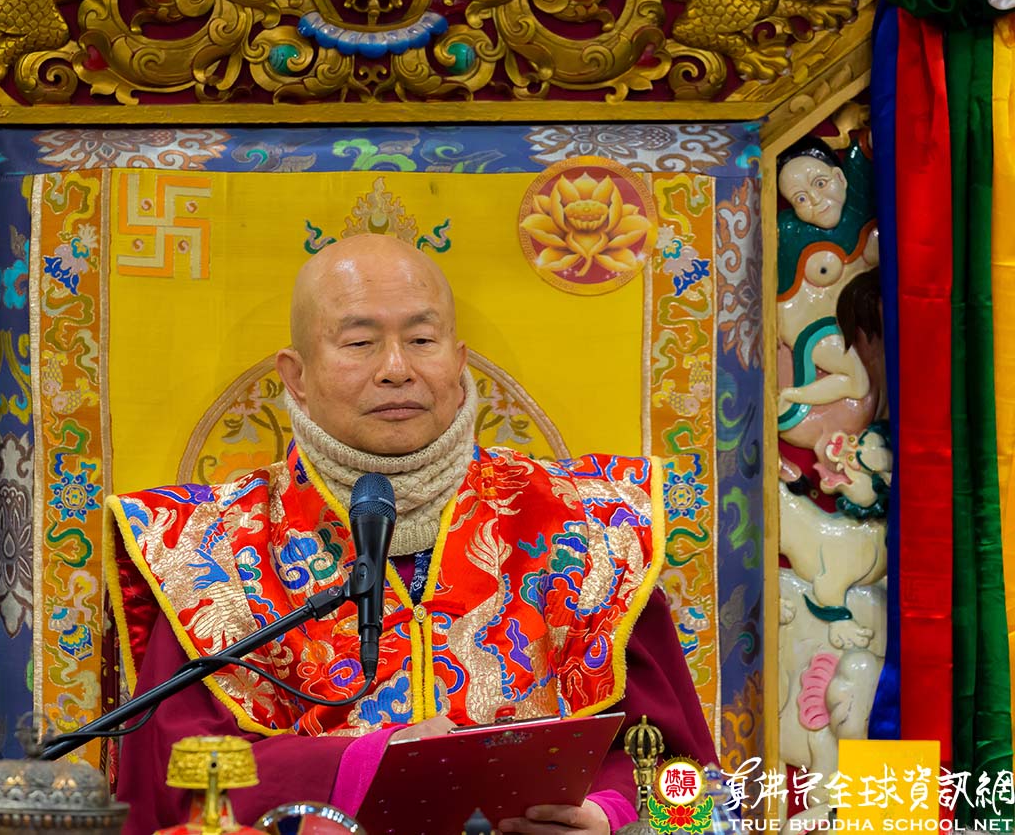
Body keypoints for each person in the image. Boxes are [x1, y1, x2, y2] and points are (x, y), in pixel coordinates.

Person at [107, 234, 717, 835]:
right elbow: (174, 781)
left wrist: (609, 815)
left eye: (422, 340)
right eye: (360, 342)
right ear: (296, 375)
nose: (396, 370)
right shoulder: (210, 545)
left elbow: (682, 780)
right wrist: (366, 763)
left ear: (458, 360)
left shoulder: (585, 523)